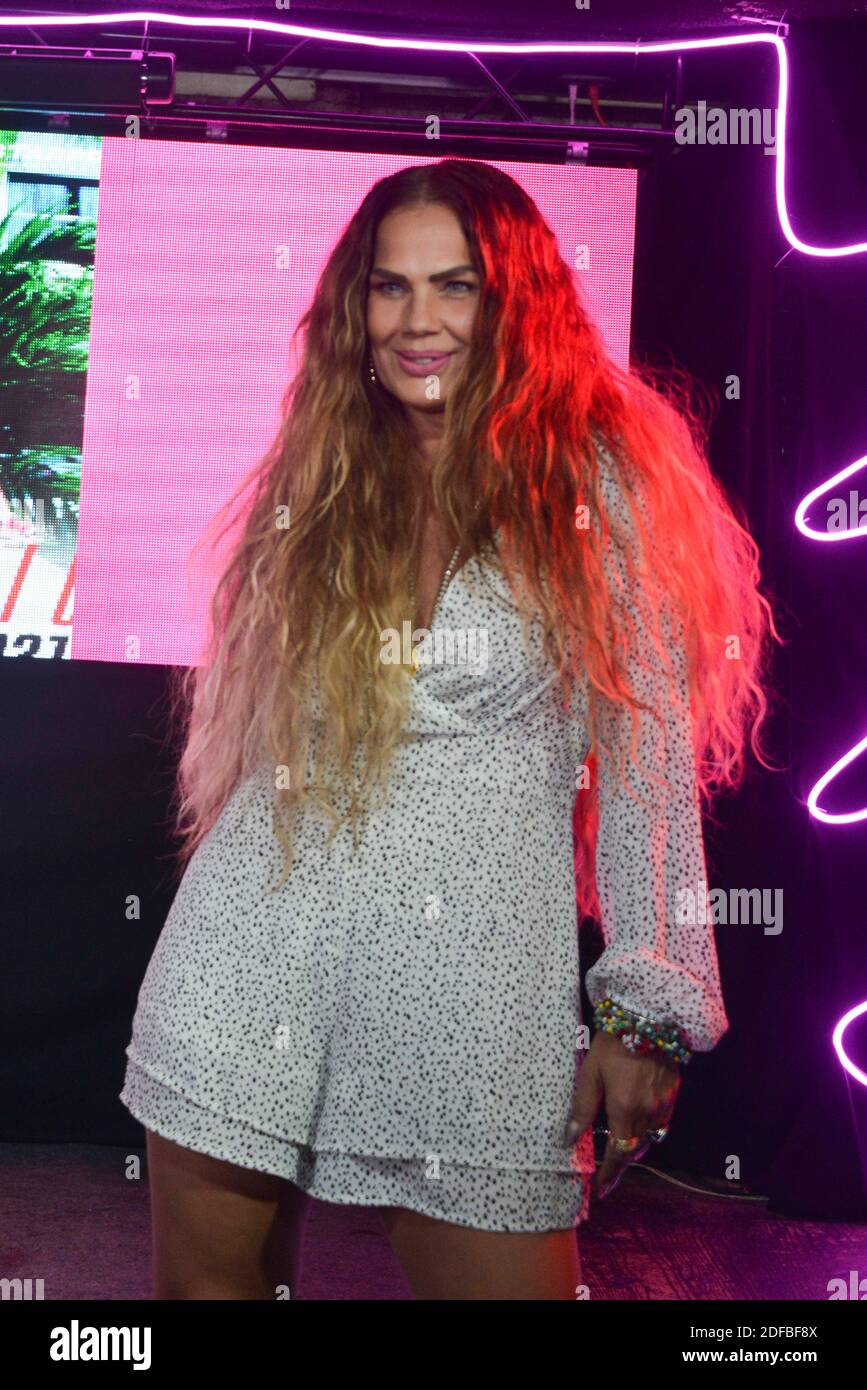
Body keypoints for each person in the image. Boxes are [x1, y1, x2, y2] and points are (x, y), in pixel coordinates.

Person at [119, 158, 780, 1301]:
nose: (419, 320)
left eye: (456, 286)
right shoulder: (327, 470)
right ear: (356, 308)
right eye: (389, 288)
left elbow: (647, 757)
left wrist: (648, 1011)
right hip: (252, 947)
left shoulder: (593, 481)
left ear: (513, 300)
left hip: (475, 983)